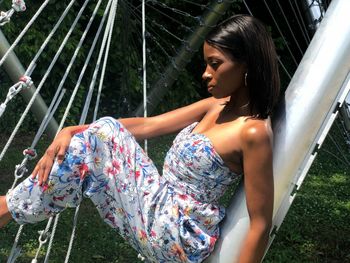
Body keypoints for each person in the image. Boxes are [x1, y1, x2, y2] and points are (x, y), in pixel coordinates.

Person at [0, 14, 279, 262]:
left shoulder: (252, 132)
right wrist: (71, 130)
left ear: (247, 65)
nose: (206, 73)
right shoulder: (215, 106)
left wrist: (87, 132)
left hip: (179, 234)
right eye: (206, 63)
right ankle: (8, 207)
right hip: (158, 211)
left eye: (215, 64)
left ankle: (6, 207)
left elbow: (260, 224)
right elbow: (149, 124)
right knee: (93, 139)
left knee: (104, 132)